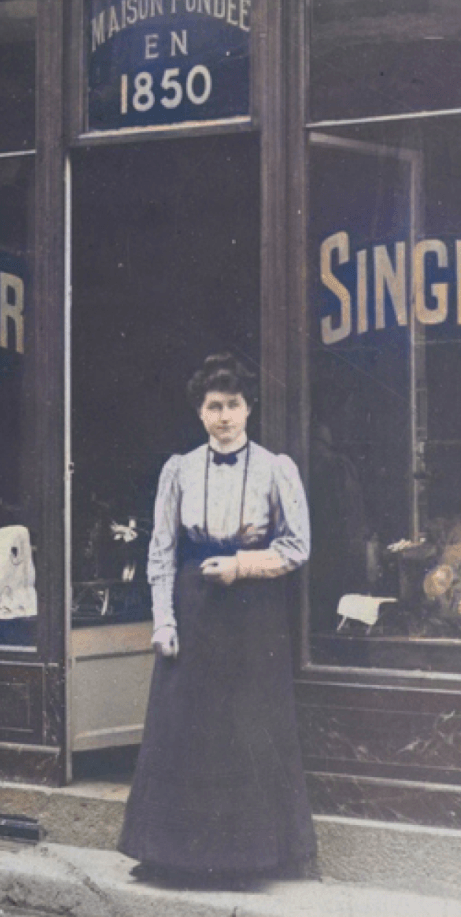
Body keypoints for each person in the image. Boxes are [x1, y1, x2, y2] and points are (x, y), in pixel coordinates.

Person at [119, 353, 317, 881]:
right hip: (195, 606)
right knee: (184, 728)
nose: (224, 416)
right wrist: (164, 621)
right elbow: (161, 550)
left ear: (249, 408)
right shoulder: (178, 469)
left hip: (253, 613)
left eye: (233, 405)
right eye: (213, 406)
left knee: (247, 730)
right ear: (199, 412)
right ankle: (174, 857)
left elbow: (298, 547)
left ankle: (250, 860)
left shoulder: (277, 468)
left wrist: (242, 565)